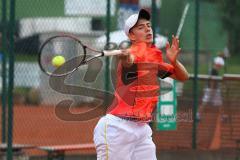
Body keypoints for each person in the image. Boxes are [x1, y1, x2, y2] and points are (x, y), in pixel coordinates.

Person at [93, 9, 189, 160]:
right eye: (140, 27)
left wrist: (174, 61)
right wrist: (126, 57)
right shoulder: (131, 56)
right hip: (118, 128)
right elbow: (130, 62)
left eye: (148, 25)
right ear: (131, 35)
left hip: (142, 129)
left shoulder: (153, 60)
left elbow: (183, 76)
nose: (147, 29)